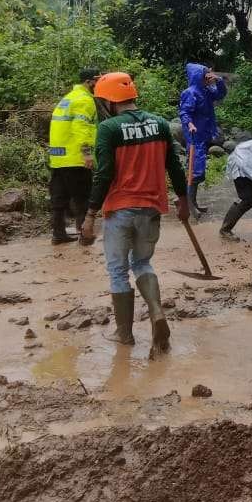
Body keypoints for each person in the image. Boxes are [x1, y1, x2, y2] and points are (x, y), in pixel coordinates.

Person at [81, 73, 189, 359]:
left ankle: (125, 334)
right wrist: (184, 199)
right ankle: (156, 311)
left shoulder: (109, 129)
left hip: (120, 208)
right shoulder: (160, 124)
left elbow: (104, 175)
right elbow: (175, 167)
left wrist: (90, 214)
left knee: (118, 270)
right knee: (142, 262)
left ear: (106, 100)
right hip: (152, 208)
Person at [47, 67, 101, 244]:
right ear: (88, 82)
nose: (99, 84)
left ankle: (58, 235)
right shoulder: (84, 100)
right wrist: (87, 154)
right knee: (82, 198)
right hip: (74, 158)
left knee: (59, 199)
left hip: (58, 158)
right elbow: (81, 129)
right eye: (97, 81)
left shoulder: (68, 98)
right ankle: (84, 234)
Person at [178, 62, 227, 217]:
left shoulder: (206, 91)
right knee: (195, 170)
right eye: (205, 75)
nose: (208, 78)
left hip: (203, 133)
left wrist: (218, 80)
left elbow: (221, 94)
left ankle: (193, 202)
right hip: (194, 135)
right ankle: (188, 205)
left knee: (198, 170)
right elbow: (184, 112)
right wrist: (190, 124)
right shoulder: (190, 92)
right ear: (199, 76)